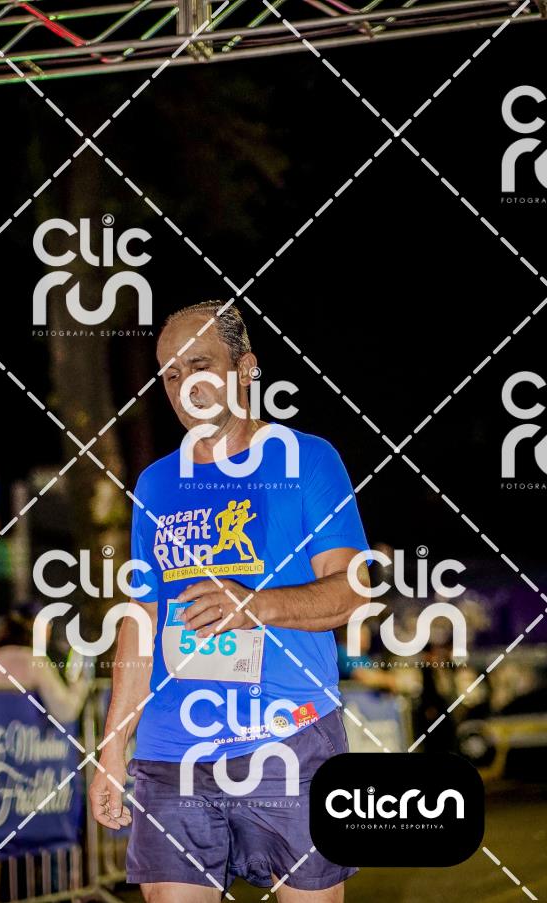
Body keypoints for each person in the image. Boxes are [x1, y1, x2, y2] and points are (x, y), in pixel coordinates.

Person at [89, 301, 372, 902]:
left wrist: (254, 605)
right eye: (170, 374)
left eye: (200, 365)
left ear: (245, 369)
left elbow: (353, 589)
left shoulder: (307, 459)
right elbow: (141, 621)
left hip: (289, 738)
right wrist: (112, 748)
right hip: (171, 751)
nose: (184, 386)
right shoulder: (155, 484)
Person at [0, 601, 89, 723]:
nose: (48, 634)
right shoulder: (35, 662)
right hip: (22, 734)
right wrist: (80, 685)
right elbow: (65, 711)